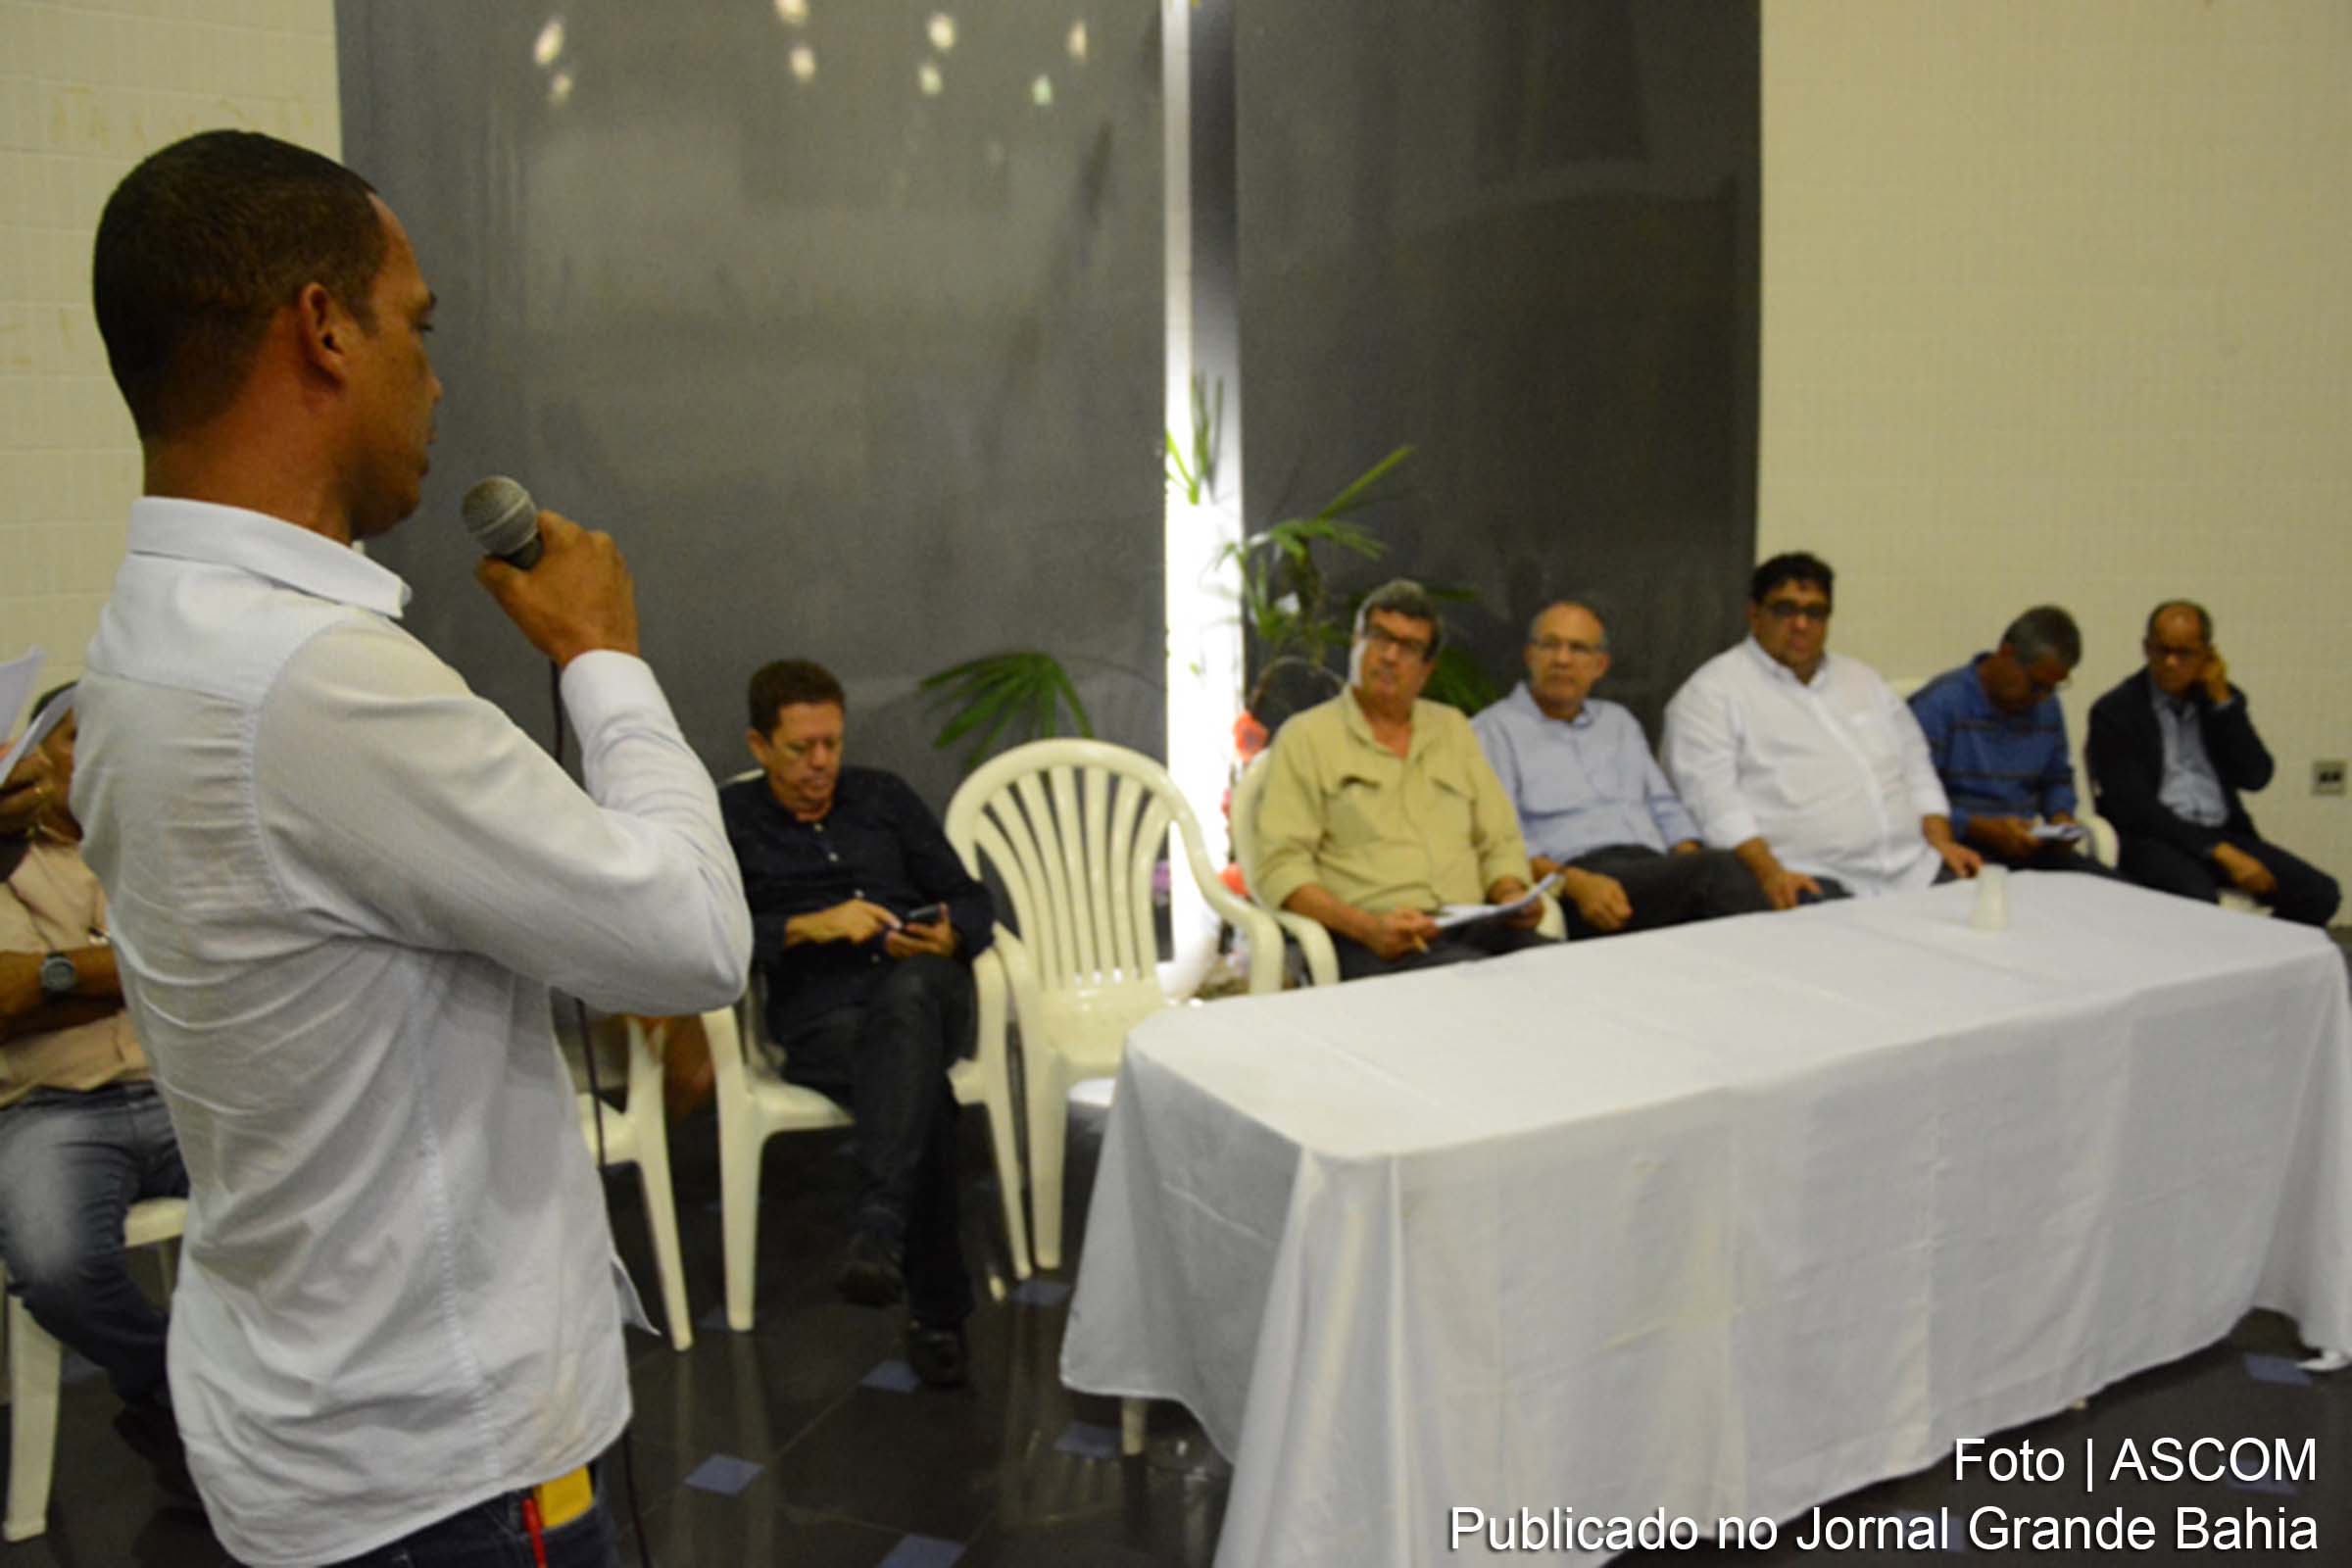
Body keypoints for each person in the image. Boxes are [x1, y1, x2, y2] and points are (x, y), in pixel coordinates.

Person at [73, 129, 751, 1568]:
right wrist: (606, 661)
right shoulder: (311, 682)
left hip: (299, 1412)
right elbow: (693, 938)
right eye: (418, 327)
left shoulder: (143, 636)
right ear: (322, 327)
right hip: (449, 1465)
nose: (436, 381)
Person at [720, 660, 991, 1386]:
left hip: (926, 988)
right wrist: (812, 926)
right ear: (758, 745)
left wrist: (950, 936)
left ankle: (879, 1222)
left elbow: (970, 898)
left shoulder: (885, 798)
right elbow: (711, 939)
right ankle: (936, 1308)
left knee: (907, 1002)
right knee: (919, 1092)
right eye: (800, 748)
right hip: (824, 1017)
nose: (821, 764)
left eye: (831, 745)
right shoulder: (731, 823)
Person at [0, 688, 194, 1507]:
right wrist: (127, 970)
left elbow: (205, 966)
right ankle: (174, 1392)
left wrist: (53, 976)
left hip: (189, 1092)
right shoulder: (5, 858)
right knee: (56, 1267)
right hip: (51, 1109)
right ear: (38, 755)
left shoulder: (166, 843)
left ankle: (261, 1408)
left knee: (321, 1206)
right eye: (80, 737)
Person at [1253, 579, 1549, 979]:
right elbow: (1281, 868)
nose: (1390, 656)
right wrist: (1366, 927)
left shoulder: (1452, 728)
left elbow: (1499, 840)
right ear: (1357, 643)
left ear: (1426, 669)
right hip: (1369, 938)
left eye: (1409, 648)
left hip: (1470, 924)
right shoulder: (1307, 737)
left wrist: (1512, 895)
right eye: (1380, 638)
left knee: (1562, 972)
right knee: (1481, 984)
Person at [1661, 553, 1982, 903]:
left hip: (1916, 869)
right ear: (1754, 614)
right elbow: (1715, 804)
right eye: (1785, 610)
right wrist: (1771, 874)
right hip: (1810, 879)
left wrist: (1942, 843)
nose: (1801, 624)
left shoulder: (1863, 680)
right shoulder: (1711, 693)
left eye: (1815, 612)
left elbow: (1916, 767)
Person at [1473, 602, 1772, 935]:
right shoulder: (1492, 731)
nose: (1562, 659)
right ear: (1530, 655)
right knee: (1721, 871)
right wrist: (1577, 883)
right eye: (1550, 645)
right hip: (1577, 879)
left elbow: (1665, 809)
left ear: (1600, 665)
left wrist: (1685, 863)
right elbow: (1503, 841)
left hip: (1650, 869)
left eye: (1578, 648)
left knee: (1720, 875)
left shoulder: (1619, 723)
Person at [2086, 600, 2339, 926]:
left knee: (2319, 893)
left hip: (2223, 832)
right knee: (2198, 900)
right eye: (2161, 651)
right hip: (2156, 839)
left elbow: (2256, 776)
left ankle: (2260, 960)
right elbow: (2136, 809)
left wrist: (2223, 704)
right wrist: (2218, 851)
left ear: (2208, 654)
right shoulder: (2117, 711)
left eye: (2185, 653)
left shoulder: (2220, 702)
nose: (2171, 663)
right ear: (2146, 648)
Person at [1907, 606, 2118, 876]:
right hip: (1960, 849)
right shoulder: (1939, 705)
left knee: (2115, 892)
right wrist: (1979, 827)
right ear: (2006, 654)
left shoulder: (2046, 707)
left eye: (2052, 688)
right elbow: (1914, 799)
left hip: (2029, 848)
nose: (2041, 697)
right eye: (2036, 684)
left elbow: (2056, 778)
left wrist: (2061, 819)